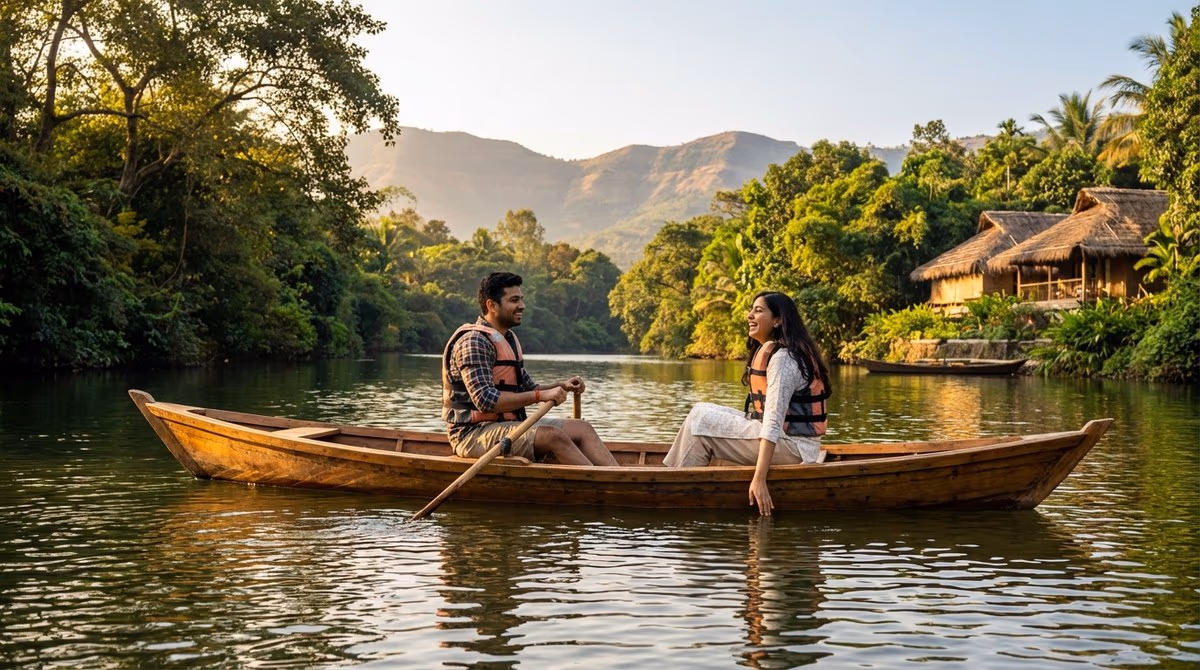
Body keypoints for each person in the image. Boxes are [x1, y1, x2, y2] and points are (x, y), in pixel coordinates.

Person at [663, 291, 831, 515]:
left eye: (758, 311)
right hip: (792, 443)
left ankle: (672, 490)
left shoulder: (783, 359)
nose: (749, 316)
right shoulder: (786, 352)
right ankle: (676, 477)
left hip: (794, 450)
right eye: (751, 310)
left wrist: (759, 479)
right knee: (701, 411)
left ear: (778, 320)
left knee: (699, 422)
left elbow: (772, 422)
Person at [441, 271, 619, 466]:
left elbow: (528, 388)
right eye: (514, 300)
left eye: (521, 299)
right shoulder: (474, 342)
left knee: (582, 428)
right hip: (473, 434)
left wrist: (561, 385)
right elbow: (485, 401)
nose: (522, 306)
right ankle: (603, 486)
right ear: (491, 305)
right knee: (553, 436)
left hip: (507, 427)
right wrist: (539, 396)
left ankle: (619, 480)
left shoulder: (507, 339)